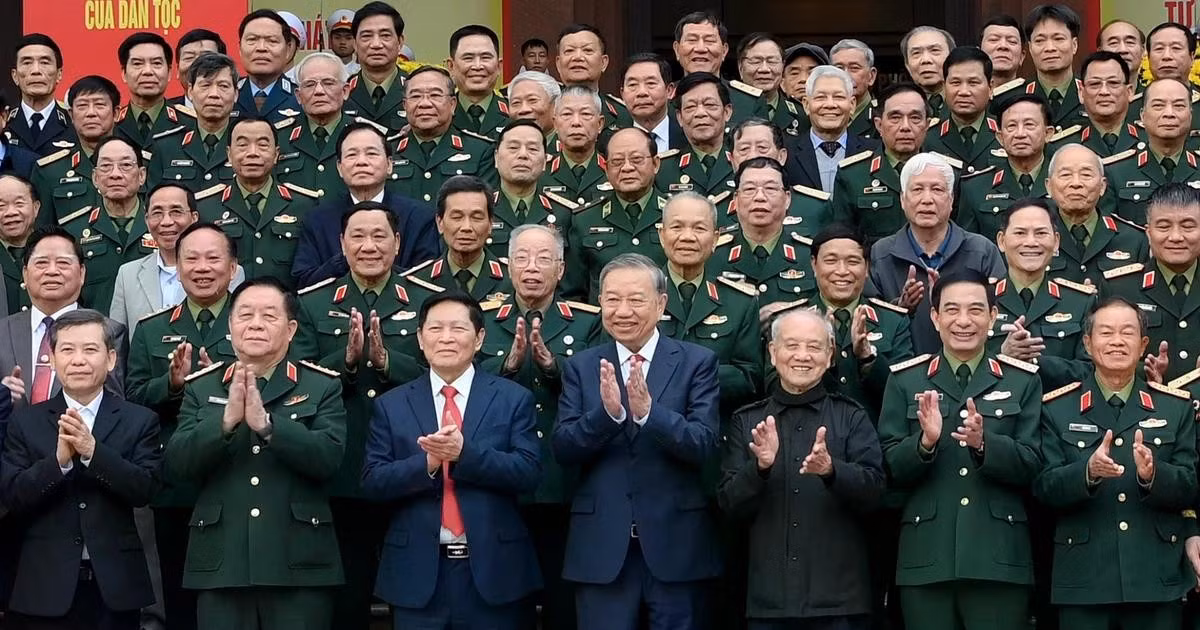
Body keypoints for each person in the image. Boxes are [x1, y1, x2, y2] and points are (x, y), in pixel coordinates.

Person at [164, 278, 346, 630]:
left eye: (269, 315)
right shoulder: (201, 386)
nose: (256, 324)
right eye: (245, 315)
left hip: (298, 562)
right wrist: (225, 422)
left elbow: (329, 458)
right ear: (230, 327)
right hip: (222, 564)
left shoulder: (322, 385)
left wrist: (268, 426)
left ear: (291, 329)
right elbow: (178, 464)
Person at [554, 253, 721, 630]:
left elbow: (705, 445)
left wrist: (650, 414)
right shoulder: (581, 366)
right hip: (602, 548)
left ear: (661, 304)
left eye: (636, 299)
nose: (622, 310)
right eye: (612, 299)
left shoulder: (697, 362)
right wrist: (606, 417)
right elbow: (563, 448)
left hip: (676, 546)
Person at [363, 291, 542, 628]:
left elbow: (529, 473)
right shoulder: (393, 404)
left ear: (479, 339)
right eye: (435, 329)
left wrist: (465, 456)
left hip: (494, 572)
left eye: (458, 329)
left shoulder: (512, 398)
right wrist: (427, 463)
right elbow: (373, 481)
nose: (446, 338)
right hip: (417, 574)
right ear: (419, 337)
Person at [292, 202, 432, 629]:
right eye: (358, 236)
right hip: (344, 467)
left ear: (398, 243)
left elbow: (445, 373)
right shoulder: (312, 304)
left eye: (379, 236)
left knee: (416, 593)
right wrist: (348, 363)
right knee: (348, 599)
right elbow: (300, 381)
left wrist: (389, 363)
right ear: (341, 244)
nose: (369, 246)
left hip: (410, 462)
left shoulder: (428, 300)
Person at [878, 271, 1043, 630]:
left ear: (993, 315)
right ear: (935, 318)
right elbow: (889, 465)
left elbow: (1033, 464)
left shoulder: (1022, 379)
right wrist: (924, 444)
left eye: (975, 310)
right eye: (951, 310)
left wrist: (985, 445)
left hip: (999, 560)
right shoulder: (906, 379)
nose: (964, 321)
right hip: (927, 559)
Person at [1035, 297, 1197, 630]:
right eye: (1106, 332)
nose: (1117, 341)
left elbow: (1189, 486)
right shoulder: (1057, 408)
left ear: (1143, 345)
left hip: (1154, 578)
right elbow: (1043, 488)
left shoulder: (1174, 408)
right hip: (1084, 579)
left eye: (1127, 332)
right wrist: (1088, 472)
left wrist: (1154, 475)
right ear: (1087, 343)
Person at [718, 308, 884, 630]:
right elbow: (728, 504)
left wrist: (832, 470)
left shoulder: (851, 416)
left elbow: (875, 493)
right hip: (768, 603)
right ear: (773, 352)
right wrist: (761, 468)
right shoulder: (747, 420)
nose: (802, 356)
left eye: (814, 346)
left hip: (839, 602)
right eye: (792, 346)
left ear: (831, 354)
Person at [0, 309, 161, 630]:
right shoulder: (26, 421)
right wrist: (58, 464)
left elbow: (146, 489)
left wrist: (93, 453)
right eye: (67, 350)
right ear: (53, 359)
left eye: (90, 350)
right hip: (42, 587)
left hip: (115, 587)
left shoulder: (139, 419)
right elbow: (13, 495)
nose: (78, 360)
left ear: (111, 359)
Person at [477, 224, 602, 629]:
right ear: (507, 267)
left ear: (562, 268)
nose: (532, 268)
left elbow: (601, 392)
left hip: (564, 482)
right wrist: (506, 367)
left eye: (544, 258)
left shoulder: (586, 323)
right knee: (504, 603)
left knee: (564, 603)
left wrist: (554, 368)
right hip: (501, 481)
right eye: (522, 258)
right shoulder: (480, 322)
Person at [125, 221, 240, 630]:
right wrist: (172, 385)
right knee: (178, 594)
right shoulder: (153, 329)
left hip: (238, 474)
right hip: (176, 481)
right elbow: (133, 398)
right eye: (191, 258)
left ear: (232, 267)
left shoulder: (256, 323)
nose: (202, 267)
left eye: (213, 258)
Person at [867, 153, 1006, 353]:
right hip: (903, 372)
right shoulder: (881, 254)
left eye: (937, 190)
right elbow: (874, 329)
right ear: (903, 200)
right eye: (917, 190)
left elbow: (999, 316)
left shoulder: (981, 250)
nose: (927, 200)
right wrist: (901, 308)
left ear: (951, 201)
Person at [292, 122, 441, 287]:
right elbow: (303, 281)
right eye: (352, 155)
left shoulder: (419, 217)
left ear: (390, 164)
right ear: (339, 168)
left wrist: (376, 266)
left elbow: (427, 281)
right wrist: (344, 260)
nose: (361, 162)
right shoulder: (317, 220)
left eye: (371, 153)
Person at [0, 227, 128, 407]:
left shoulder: (110, 330)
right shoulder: (3, 331)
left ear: (82, 273)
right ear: (25, 274)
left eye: (63, 263)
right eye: (41, 263)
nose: (52, 271)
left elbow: (115, 406)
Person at [658, 192, 762, 414]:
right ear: (662, 235)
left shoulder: (739, 302)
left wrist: (687, 376)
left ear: (715, 239)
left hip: (716, 428)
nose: (687, 237)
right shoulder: (639, 296)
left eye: (699, 228)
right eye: (677, 227)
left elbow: (749, 377)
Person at [194, 116, 321, 289]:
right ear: (229, 155)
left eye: (262, 144)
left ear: (276, 154)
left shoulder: (304, 205)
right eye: (242, 145)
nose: (252, 152)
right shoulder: (206, 208)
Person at [830, 83, 958, 245]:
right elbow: (843, 242)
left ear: (927, 125)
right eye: (895, 118)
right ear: (878, 125)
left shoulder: (948, 172)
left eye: (915, 118)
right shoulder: (852, 175)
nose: (905, 127)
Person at [806, 224, 913, 417]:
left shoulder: (894, 320)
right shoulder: (793, 320)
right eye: (831, 261)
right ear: (814, 265)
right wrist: (822, 355)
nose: (842, 271)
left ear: (867, 268)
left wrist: (868, 358)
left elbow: (905, 393)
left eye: (853, 261)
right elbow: (773, 386)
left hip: (872, 440)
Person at [990, 199, 1096, 389]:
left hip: (1059, 414)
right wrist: (1002, 356)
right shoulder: (981, 298)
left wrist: (1036, 362)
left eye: (1040, 233)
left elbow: (1092, 371)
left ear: (1056, 242)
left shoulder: (1080, 302)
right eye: (1020, 233)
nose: (1031, 242)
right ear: (1001, 241)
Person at [1104, 183, 1200, 383]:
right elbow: (1100, 358)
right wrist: (1143, 374)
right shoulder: (1120, 288)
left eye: (1188, 226)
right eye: (1164, 227)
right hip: (1145, 409)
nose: (1176, 237)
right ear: (1148, 233)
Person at [562, 128, 668, 301]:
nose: (627, 168)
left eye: (636, 159)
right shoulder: (585, 220)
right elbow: (572, 292)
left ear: (655, 164)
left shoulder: (676, 215)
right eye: (617, 161)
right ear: (605, 168)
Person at [58, 136, 156, 314]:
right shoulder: (74, 232)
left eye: (126, 165)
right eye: (106, 166)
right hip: (92, 335)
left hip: (148, 336)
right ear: (95, 178)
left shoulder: (161, 226)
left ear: (142, 175)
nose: (115, 174)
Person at [709, 157, 817, 313]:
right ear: (735, 200)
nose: (759, 197)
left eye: (770, 189)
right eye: (749, 189)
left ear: (787, 199)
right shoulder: (713, 255)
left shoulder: (809, 255)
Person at [390, 66, 498, 205]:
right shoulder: (388, 150)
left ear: (452, 104)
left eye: (435, 95)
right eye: (416, 96)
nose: (424, 104)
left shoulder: (480, 151)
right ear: (405, 106)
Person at [1045, 143, 1148, 288]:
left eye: (1086, 175)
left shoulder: (1134, 239)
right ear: (1049, 186)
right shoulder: (1036, 238)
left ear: (1102, 186)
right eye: (1066, 175)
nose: (1076, 183)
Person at [403, 175, 513, 302]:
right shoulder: (417, 282)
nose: (466, 227)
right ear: (440, 223)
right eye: (457, 217)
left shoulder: (512, 280)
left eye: (476, 217)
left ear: (490, 224)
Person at [1104, 78, 1199, 226]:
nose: (1169, 113)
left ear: (1191, 115)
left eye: (1179, 106)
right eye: (1158, 106)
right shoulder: (1115, 172)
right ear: (1142, 115)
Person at [958, 94, 1054, 239]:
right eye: (1011, 126)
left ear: (1048, 133)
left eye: (1029, 125)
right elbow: (969, 249)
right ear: (1000, 137)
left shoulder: (1065, 181)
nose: (1020, 134)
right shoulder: (975, 188)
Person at [31, 75, 120, 226]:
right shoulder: (49, 170)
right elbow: (42, 230)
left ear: (116, 113)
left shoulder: (136, 163)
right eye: (82, 106)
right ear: (71, 115)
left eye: (99, 105)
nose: (91, 113)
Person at [148, 53, 239, 192]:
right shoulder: (166, 146)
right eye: (205, 85)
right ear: (190, 92)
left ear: (236, 94)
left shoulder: (247, 145)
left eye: (223, 86)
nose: (214, 94)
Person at [110, 183, 195, 331]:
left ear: (194, 218)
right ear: (147, 222)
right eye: (157, 213)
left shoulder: (225, 272)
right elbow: (117, 340)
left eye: (176, 212)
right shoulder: (128, 274)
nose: (167, 222)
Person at [730, 118, 837, 235]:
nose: (753, 155)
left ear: (782, 156)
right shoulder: (715, 208)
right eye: (744, 149)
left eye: (762, 148)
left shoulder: (814, 207)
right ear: (731, 159)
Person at [489, 120, 576, 258]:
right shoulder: (481, 210)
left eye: (533, 149)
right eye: (513, 148)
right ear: (496, 157)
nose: (523, 155)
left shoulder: (565, 213)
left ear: (544, 161)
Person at [274, 52, 353, 199]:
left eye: (328, 83)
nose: (319, 91)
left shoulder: (364, 135)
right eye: (309, 85)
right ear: (298, 96)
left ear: (345, 91)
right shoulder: (279, 138)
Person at [785, 66, 874, 194]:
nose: (830, 105)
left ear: (852, 105)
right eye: (821, 97)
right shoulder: (786, 154)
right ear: (806, 105)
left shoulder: (873, 152)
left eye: (838, 97)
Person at [672, 11, 768, 126]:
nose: (701, 48)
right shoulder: (662, 100)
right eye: (692, 40)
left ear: (724, 50)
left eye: (709, 41)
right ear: (677, 50)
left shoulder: (749, 101)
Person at [1048, 51, 1144, 159]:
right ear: (1081, 93)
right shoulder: (1061, 147)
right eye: (1095, 84)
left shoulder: (1150, 140)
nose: (1104, 91)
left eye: (1113, 83)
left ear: (1129, 92)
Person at [922, 47, 1002, 175]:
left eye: (973, 82)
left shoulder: (1005, 133)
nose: (964, 92)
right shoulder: (928, 137)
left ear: (990, 87)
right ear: (944, 86)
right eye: (955, 82)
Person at [655, 73, 736, 199]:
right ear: (680, 117)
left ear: (727, 112)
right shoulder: (663, 170)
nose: (700, 113)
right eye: (690, 107)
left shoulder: (743, 162)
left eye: (710, 105)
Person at [114, 32, 190, 151]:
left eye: (156, 63)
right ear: (124, 73)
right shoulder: (110, 125)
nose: (148, 71)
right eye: (138, 64)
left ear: (169, 72)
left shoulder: (190, 124)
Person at [555, 25, 633, 137]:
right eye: (569, 51)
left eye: (587, 50)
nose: (577, 57)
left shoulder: (623, 114)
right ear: (558, 63)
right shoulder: (545, 110)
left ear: (603, 62)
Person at [343, 2, 408, 134]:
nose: (376, 44)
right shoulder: (341, 93)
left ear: (400, 42)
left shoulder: (416, 91)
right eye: (366, 36)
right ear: (355, 44)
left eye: (385, 36)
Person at [7, 34, 76, 156]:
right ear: (15, 76)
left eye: (44, 62)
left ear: (59, 74)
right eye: (27, 63)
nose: (36, 71)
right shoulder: (4, 123)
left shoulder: (74, 123)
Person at [1023, 4, 1086, 131]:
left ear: (1074, 45)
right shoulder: (1016, 96)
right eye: (1040, 41)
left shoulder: (1092, 93)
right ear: (1030, 48)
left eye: (1058, 39)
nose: (1050, 48)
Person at [543, 86, 610, 206]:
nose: (576, 122)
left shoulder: (613, 171)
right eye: (567, 114)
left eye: (585, 114)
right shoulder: (540, 172)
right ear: (555, 124)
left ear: (600, 124)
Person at [233, 10, 300, 123]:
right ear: (240, 48)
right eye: (252, 40)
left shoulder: (301, 97)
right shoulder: (226, 95)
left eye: (272, 41)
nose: (261, 48)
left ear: (288, 49)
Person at [449, 25, 510, 139]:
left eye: (485, 57)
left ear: (499, 66)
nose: (477, 66)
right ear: (451, 66)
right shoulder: (439, 115)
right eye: (468, 58)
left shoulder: (514, 114)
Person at [738, 33, 805, 136]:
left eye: (772, 61)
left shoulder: (800, 114)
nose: (764, 69)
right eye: (756, 61)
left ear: (783, 66)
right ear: (740, 67)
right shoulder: (727, 108)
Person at [622, 53, 685, 154]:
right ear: (622, 93)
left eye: (651, 83)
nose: (642, 92)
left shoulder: (688, 136)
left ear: (669, 90)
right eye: (633, 85)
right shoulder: (612, 140)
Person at [0, 174, 40, 315]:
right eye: (1, 206)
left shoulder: (54, 250)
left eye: (19, 203)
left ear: (36, 208)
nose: (11, 212)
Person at [901, 25, 955, 120]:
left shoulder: (974, 103)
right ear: (907, 65)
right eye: (916, 53)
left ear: (953, 59)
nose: (926, 60)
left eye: (934, 50)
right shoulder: (897, 109)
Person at [830, 39, 879, 139]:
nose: (845, 75)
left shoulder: (882, 116)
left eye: (854, 68)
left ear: (871, 76)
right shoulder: (820, 115)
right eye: (839, 68)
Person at [169, 29, 227, 111]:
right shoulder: (164, 114)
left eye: (207, 57)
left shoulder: (241, 115)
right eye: (189, 58)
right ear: (177, 70)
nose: (197, 64)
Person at [1097, 19, 1146, 91]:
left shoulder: (1152, 99)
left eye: (1130, 42)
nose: (1123, 50)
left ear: (1142, 52)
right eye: (1113, 43)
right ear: (1099, 53)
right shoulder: (1086, 99)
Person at [980, 15, 1027, 90]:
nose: (1003, 46)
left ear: (1022, 56)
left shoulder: (1032, 98)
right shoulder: (965, 96)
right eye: (993, 40)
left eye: (1012, 41)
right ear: (979, 52)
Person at [508, 72, 560, 138]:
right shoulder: (501, 145)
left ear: (555, 105)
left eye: (532, 100)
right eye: (516, 102)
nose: (524, 109)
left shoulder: (570, 144)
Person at [325, 10, 360, 75]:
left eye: (348, 38)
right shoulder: (322, 70)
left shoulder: (362, 72)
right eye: (337, 37)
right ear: (330, 40)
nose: (343, 42)